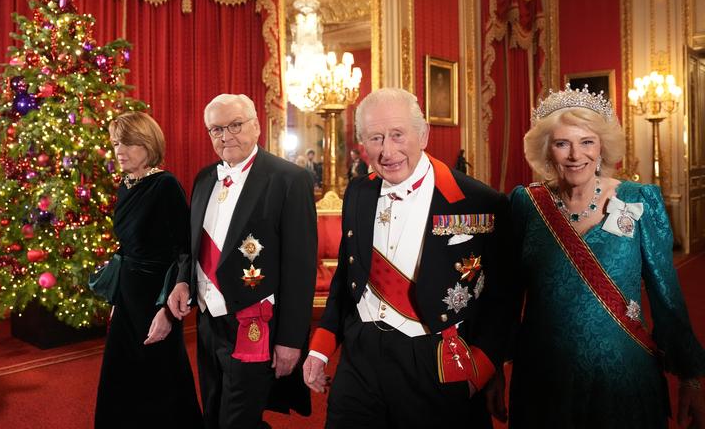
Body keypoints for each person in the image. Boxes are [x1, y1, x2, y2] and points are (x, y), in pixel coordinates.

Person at [302, 88, 513, 428]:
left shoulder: (479, 201)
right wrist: (321, 347)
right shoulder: (358, 192)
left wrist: (481, 367)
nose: (387, 151)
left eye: (398, 135)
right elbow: (347, 276)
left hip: (431, 358)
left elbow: (502, 298)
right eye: (375, 138)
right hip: (360, 355)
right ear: (363, 143)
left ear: (423, 134)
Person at [501, 85, 705, 428]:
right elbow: (505, 297)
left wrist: (691, 378)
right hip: (544, 379)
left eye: (586, 142)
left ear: (602, 147)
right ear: (547, 151)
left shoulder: (639, 200)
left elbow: (667, 296)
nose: (575, 155)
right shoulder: (527, 203)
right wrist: (493, 367)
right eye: (562, 143)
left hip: (623, 379)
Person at [167, 94, 318, 428]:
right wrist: (182, 281)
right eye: (216, 129)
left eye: (235, 125)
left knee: (239, 420)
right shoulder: (205, 178)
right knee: (214, 410)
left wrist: (291, 341)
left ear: (257, 127)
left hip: (254, 323)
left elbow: (300, 269)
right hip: (208, 322)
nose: (226, 136)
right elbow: (193, 248)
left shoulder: (289, 179)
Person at [95, 112, 202, 427]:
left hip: (158, 298)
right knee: (121, 377)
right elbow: (126, 249)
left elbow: (183, 251)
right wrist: (117, 299)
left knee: (161, 380)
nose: (119, 150)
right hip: (127, 297)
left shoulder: (165, 185)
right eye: (116, 143)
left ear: (148, 143)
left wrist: (167, 312)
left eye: (127, 143)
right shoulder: (125, 184)